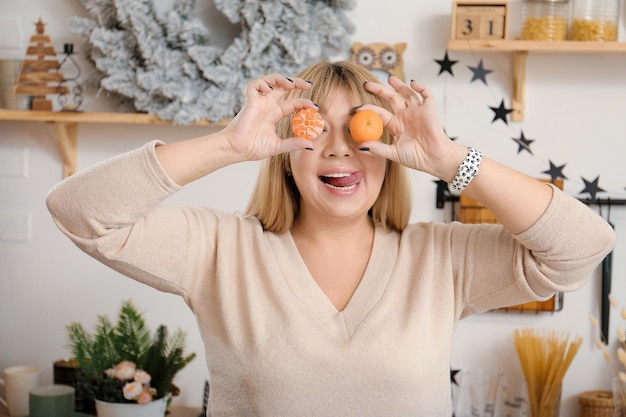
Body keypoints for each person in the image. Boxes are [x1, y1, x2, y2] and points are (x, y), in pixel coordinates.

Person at [46, 61, 615, 417]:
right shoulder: (220, 250)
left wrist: (448, 159)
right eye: (317, 128)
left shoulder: (440, 258)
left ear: (389, 154)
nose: (341, 149)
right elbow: (78, 211)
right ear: (288, 149)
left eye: (359, 130)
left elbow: (584, 245)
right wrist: (228, 145)